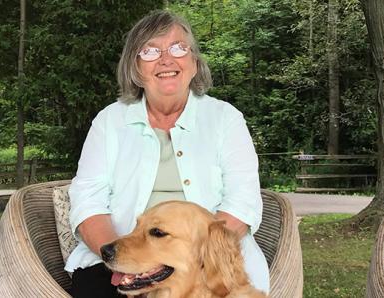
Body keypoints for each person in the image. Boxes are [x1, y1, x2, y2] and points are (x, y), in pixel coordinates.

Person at [66, 10, 270, 298]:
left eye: (178, 47)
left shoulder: (226, 119)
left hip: (213, 268)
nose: (166, 59)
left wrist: (197, 264)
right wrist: (127, 261)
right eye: (149, 51)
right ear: (135, 69)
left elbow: (243, 201)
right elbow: (88, 203)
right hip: (114, 269)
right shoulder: (109, 122)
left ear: (194, 63)